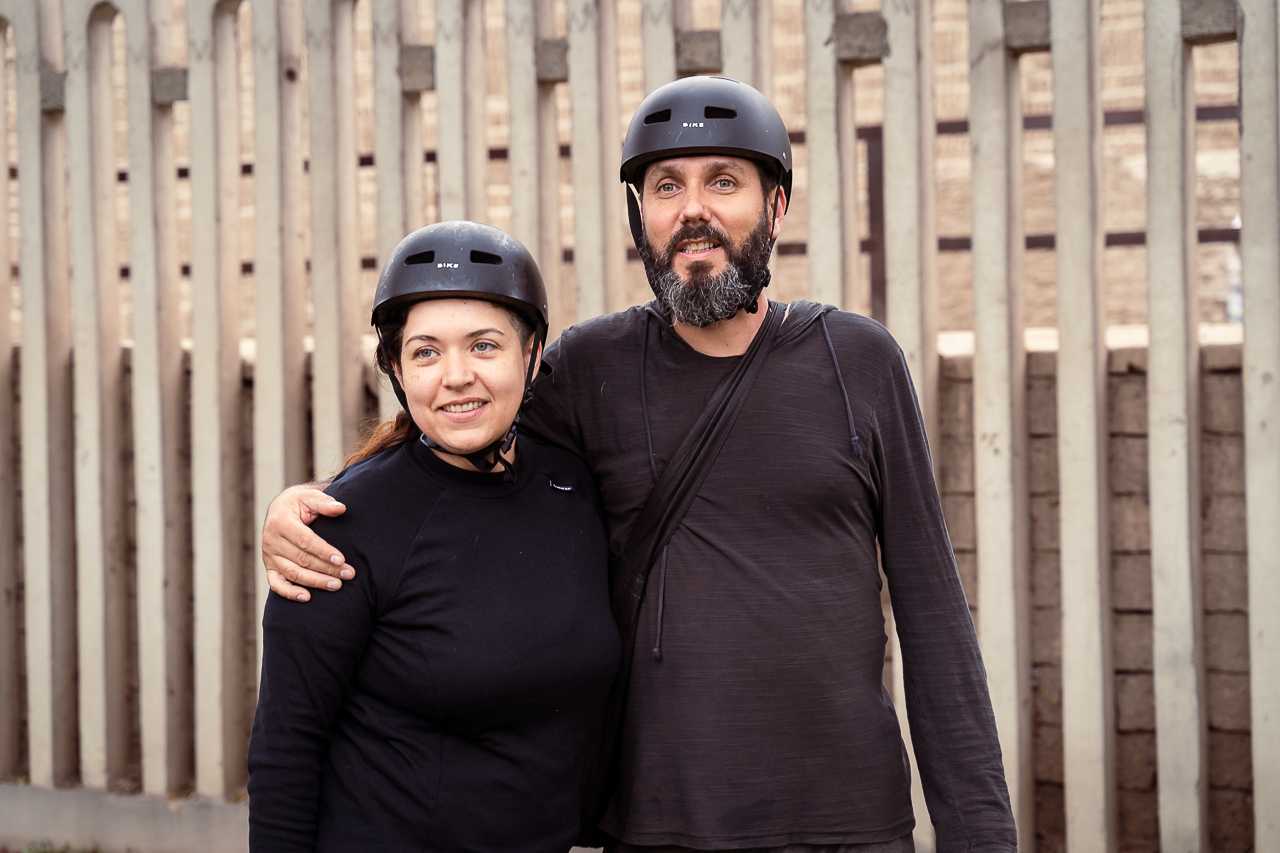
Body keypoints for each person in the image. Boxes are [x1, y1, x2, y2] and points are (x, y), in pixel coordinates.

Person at [263, 77, 1017, 853]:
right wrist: (310, 503)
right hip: (660, 826)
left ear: (776, 206)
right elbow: (455, 425)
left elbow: (936, 625)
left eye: (723, 181)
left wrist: (981, 835)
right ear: (640, 216)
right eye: (666, 186)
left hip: (850, 823)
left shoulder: (857, 360)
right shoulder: (589, 368)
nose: (693, 209)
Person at [247, 221, 621, 852]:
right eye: (426, 351)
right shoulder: (342, 528)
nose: (455, 376)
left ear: (531, 354)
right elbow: (286, 747)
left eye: (483, 346)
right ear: (396, 368)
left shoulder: (574, 488)